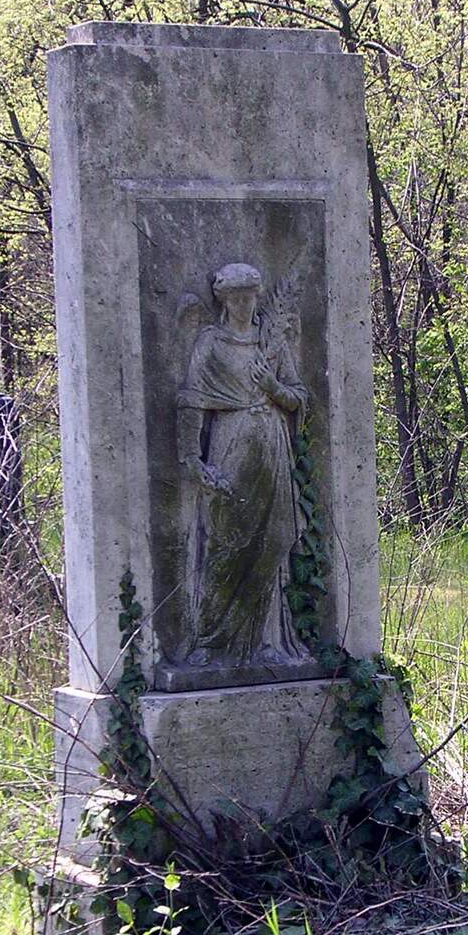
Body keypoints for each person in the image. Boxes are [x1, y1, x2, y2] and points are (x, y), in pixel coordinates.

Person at [176, 262, 311, 669]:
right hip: (230, 448)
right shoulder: (211, 343)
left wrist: (272, 387)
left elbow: (298, 397)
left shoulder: (270, 343)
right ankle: (210, 640)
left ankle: (267, 642)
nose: (242, 305)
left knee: (272, 541)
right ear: (223, 301)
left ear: (256, 298)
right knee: (224, 545)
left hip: (271, 447)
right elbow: (191, 401)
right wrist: (192, 459)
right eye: (234, 298)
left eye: (248, 297)